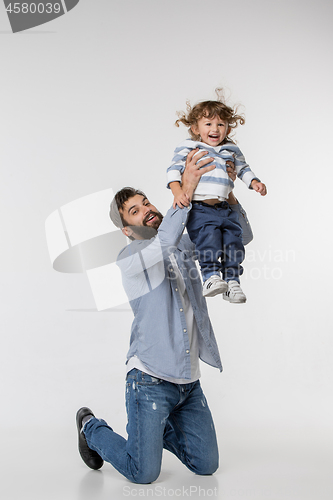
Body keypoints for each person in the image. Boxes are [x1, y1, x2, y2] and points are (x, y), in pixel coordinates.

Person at [76, 150, 250, 484]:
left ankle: (153, 434)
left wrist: (227, 194)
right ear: (127, 230)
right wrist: (185, 187)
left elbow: (238, 237)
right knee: (143, 473)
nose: (147, 210)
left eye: (146, 203)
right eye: (135, 211)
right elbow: (166, 239)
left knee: (206, 465)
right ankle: (91, 427)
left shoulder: (183, 246)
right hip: (150, 380)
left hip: (188, 383)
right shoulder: (129, 258)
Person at [167, 91, 267, 303]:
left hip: (226, 208)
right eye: (208, 124)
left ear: (228, 129)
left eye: (221, 125)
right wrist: (177, 191)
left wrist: (254, 182)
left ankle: (232, 281)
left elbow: (243, 168)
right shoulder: (189, 147)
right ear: (196, 128)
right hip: (201, 209)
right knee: (209, 240)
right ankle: (211, 277)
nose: (215, 129)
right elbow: (173, 170)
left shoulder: (231, 149)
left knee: (234, 243)